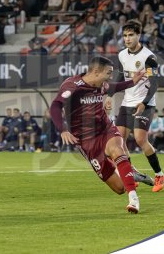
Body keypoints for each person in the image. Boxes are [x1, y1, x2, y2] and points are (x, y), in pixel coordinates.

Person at [50, 56, 146, 213]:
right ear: (95, 71)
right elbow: (55, 105)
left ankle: (134, 199)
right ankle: (128, 173)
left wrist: (132, 82)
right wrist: (63, 129)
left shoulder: (102, 85)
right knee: (119, 188)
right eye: (108, 73)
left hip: (105, 129)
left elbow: (114, 87)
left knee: (117, 150)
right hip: (86, 141)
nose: (110, 77)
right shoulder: (73, 86)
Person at [105, 20, 164, 193]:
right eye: (125, 35)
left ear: (138, 35)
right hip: (127, 102)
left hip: (144, 103)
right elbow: (119, 76)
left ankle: (159, 174)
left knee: (140, 139)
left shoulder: (149, 57)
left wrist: (144, 103)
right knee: (119, 141)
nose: (127, 38)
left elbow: (154, 84)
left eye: (131, 35)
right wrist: (110, 95)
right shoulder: (122, 55)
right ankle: (130, 174)